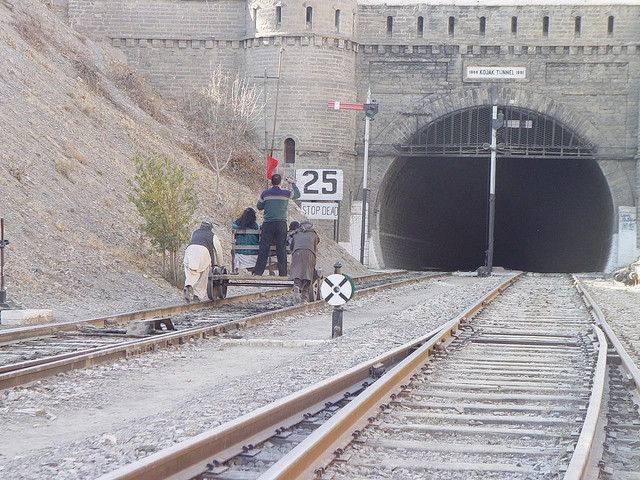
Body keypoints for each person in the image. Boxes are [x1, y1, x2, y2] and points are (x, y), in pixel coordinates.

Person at [253, 174, 300, 276]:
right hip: (281, 224)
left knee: (264, 247)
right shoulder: (286, 193)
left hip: (268, 224)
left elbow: (259, 206)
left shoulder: (265, 194)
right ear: (280, 183)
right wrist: (293, 184)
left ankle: (258, 272)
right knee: (281, 248)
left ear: (271, 182)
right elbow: (297, 194)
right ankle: (282, 273)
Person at [183, 221, 223, 302]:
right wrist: (220, 264)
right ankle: (197, 295)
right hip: (203, 251)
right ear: (210, 228)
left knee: (192, 272)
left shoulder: (195, 233)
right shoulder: (212, 235)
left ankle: (187, 285)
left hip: (190, 249)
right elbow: (218, 250)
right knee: (204, 274)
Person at [289, 221, 320, 303]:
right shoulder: (313, 234)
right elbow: (315, 246)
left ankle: (297, 286)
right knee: (308, 275)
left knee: (297, 271)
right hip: (309, 253)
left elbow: (291, 247)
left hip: (297, 253)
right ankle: (304, 297)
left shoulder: (296, 234)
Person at [232, 207, 260, 272]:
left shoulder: (235, 224)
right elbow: (258, 238)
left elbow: (234, 237)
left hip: (239, 254)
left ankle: (235, 270)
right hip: (253, 254)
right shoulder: (254, 225)